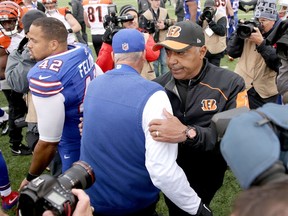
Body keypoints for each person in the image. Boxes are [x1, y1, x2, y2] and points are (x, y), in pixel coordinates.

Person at [80, 28, 212, 216]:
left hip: (92, 196)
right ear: (143, 55)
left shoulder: (94, 85)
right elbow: (162, 171)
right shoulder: (153, 93)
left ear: (112, 55)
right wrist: (196, 208)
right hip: (131, 202)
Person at [149, 20, 249, 215]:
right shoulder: (156, 86)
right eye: (168, 52)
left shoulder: (230, 83)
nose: (171, 61)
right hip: (171, 171)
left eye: (180, 52)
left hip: (209, 170)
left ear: (202, 52)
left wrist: (188, 133)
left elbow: (237, 132)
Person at [19, 17, 96, 189]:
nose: (28, 45)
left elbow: (48, 142)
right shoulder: (81, 49)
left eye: (33, 40)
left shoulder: (45, 76)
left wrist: (31, 177)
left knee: (75, 193)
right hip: (93, 132)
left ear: (53, 44)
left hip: (73, 141)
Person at [227, 0, 281, 109]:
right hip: (243, 86)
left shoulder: (281, 35)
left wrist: (261, 43)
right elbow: (232, 52)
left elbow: (278, 64)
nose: (259, 24)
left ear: (273, 21)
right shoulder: (248, 31)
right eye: (257, 20)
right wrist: (238, 34)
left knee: (265, 124)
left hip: (266, 93)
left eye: (263, 20)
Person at [0, 1, 31, 156]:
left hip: (19, 76)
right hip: (9, 80)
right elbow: (3, 72)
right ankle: (15, 145)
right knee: (17, 110)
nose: (7, 26)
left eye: (10, 21)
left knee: (21, 108)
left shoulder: (22, 32)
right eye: (3, 22)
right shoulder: (2, 40)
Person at [97, 4, 160, 80]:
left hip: (144, 81)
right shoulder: (115, 38)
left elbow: (154, 56)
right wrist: (108, 43)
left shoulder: (145, 35)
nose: (132, 20)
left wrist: (134, 38)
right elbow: (102, 67)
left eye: (134, 17)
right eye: (127, 17)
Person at [141, 0, 173, 77]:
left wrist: (164, 26)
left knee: (164, 63)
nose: (158, 2)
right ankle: (157, 80)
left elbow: (170, 23)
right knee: (154, 64)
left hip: (163, 41)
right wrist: (152, 28)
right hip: (152, 43)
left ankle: (165, 80)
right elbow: (143, 29)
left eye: (158, 0)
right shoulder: (146, 14)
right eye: (155, 0)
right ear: (150, 1)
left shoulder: (164, 11)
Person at [197, 0, 227, 67]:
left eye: (210, 8)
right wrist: (200, 20)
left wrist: (210, 22)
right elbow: (197, 29)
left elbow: (221, 32)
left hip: (216, 49)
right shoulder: (204, 15)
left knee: (214, 71)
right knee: (203, 69)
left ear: (215, 7)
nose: (208, 10)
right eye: (206, 8)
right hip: (206, 48)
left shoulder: (221, 16)